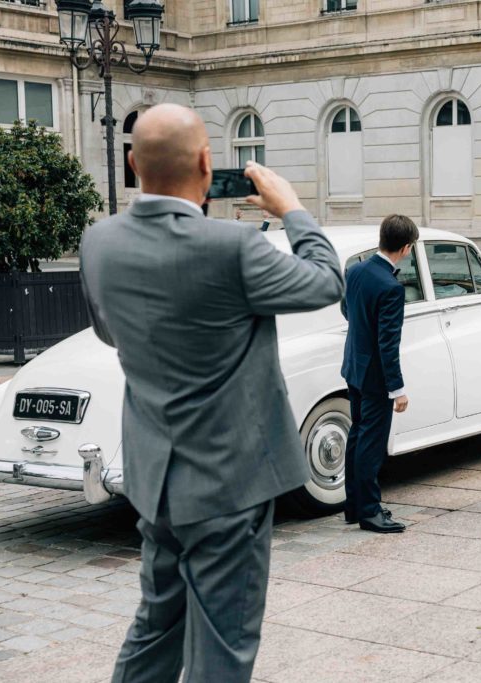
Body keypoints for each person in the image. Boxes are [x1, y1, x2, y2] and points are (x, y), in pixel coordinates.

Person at [79, 103, 345, 682]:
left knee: (156, 630)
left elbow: (107, 330)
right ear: (207, 162)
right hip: (229, 484)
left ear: (131, 163)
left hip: (155, 481)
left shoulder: (99, 241)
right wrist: (293, 210)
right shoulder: (233, 247)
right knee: (222, 650)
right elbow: (326, 281)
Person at [341, 214, 418, 533]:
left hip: (353, 367)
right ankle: (370, 512)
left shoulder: (355, 269)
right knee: (371, 444)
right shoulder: (391, 287)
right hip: (375, 378)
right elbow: (389, 344)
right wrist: (397, 389)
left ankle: (354, 505)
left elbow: (346, 309)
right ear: (405, 247)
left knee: (357, 435)